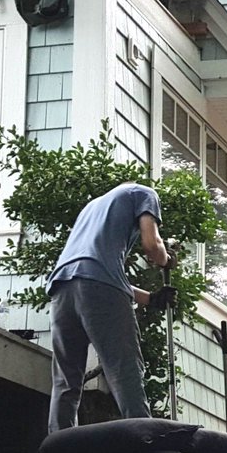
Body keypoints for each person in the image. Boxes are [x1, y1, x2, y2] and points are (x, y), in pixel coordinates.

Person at [46, 182, 177, 433]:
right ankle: (146, 445)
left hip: (62, 286)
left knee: (66, 379)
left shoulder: (92, 207)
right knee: (123, 369)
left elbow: (93, 274)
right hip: (97, 286)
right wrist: (167, 259)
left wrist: (151, 298)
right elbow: (152, 244)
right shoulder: (144, 193)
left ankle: (57, 451)